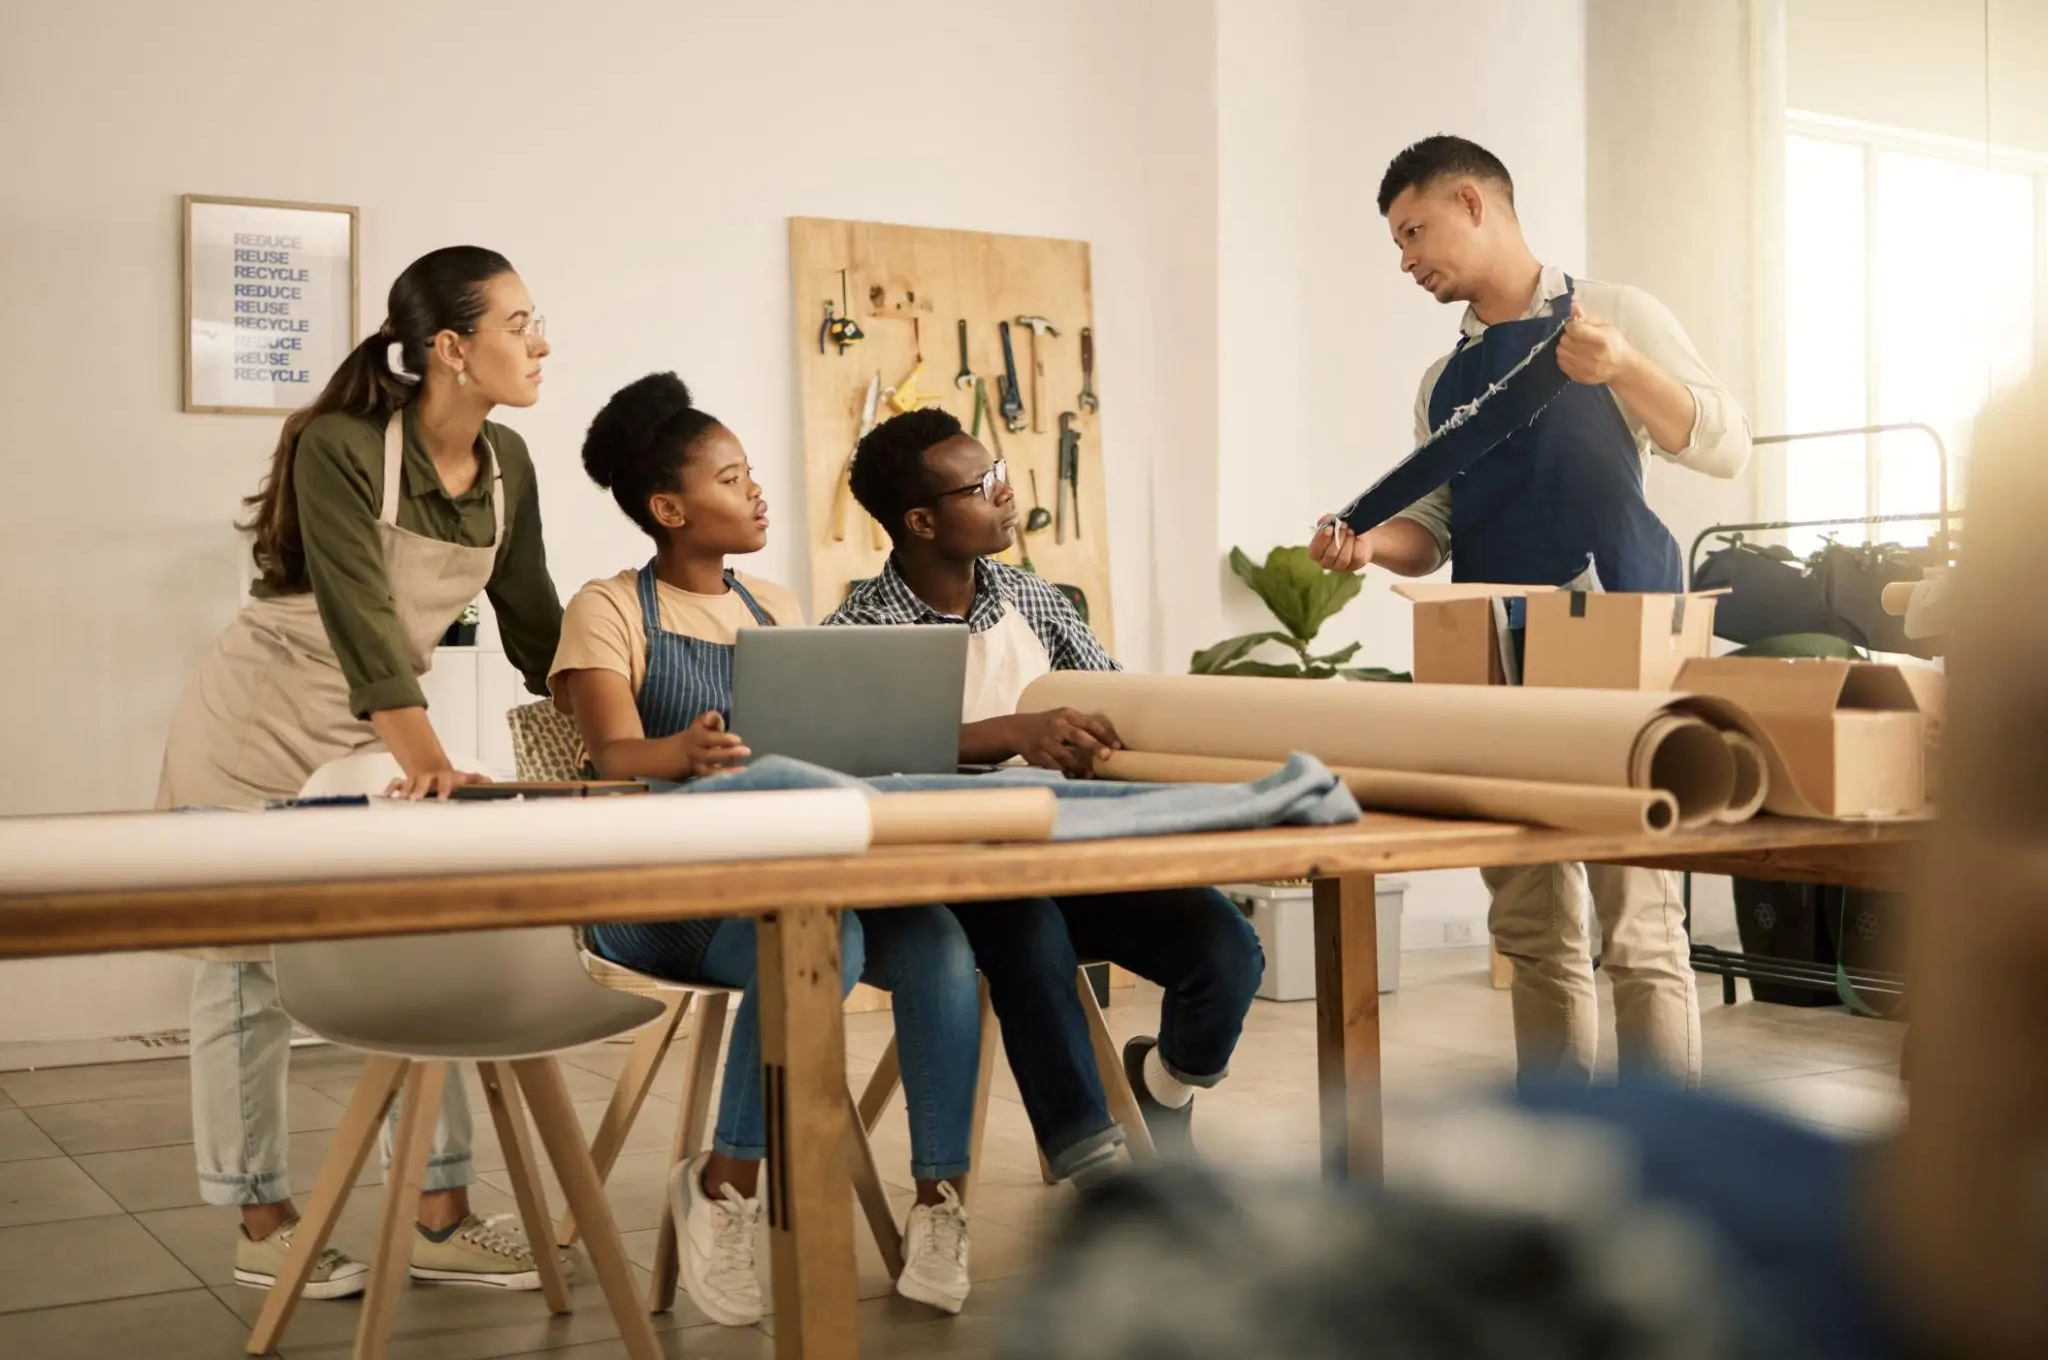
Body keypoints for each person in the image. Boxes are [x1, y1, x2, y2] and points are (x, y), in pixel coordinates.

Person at [157, 247, 564, 1296]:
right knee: (246, 966)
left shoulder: (508, 460)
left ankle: (437, 1210)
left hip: (371, 720)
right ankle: (261, 1215)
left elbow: (535, 624)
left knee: (423, 942)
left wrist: (625, 729)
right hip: (260, 715)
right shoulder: (339, 445)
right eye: (519, 322)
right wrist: (427, 764)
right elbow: (358, 618)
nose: (541, 342)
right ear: (450, 348)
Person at [1311, 136, 1754, 1088]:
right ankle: (1563, 1153)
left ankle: (1660, 1164)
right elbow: (1431, 527)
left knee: (1638, 922)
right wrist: (1365, 544)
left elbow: (1722, 445)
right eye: (1395, 243)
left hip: (1618, 644)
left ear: (1473, 202)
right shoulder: (1445, 382)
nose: (1405, 260)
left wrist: (1624, 365)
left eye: (1413, 231)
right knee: (1531, 929)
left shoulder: (1618, 313)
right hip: (1496, 659)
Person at [548, 372, 983, 1323]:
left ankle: (940, 1201)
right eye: (732, 477)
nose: (757, 492)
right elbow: (612, 754)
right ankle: (724, 1187)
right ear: (669, 509)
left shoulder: (778, 604)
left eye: (751, 474)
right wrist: (684, 753)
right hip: (657, 894)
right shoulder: (609, 606)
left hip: (786, 876)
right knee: (834, 944)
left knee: (943, 939)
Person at [828, 407, 1266, 1180]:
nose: (1007, 493)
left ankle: (1163, 1086)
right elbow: (860, 768)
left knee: (1226, 949)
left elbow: (1113, 703)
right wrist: (1008, 733)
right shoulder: (858, 631)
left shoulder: (1034, 600)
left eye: (999, 473)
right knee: (1028, 937)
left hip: (1072, 855)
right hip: (953, 880)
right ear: (922, 520)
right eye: (983, 485)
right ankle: (1096, 1170)